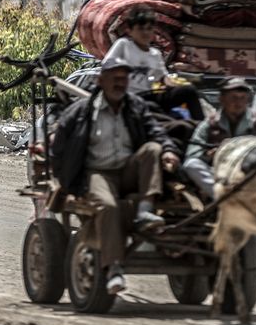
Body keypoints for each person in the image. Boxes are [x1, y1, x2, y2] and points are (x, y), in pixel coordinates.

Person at [51, 57, 181, 295]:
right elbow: (58, 149)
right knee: (109, 208)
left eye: (123, 78)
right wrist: (66, 180)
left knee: (153, 149)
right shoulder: (80, 112)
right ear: (101, 80)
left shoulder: (135, 106)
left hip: (128, 169)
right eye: (115, 78)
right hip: (98, 172)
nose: (120, 83)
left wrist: (170, 151)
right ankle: (114, 268)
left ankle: (145, 212)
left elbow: (156, 132)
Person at [182, 78, 256, 199]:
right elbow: (192, 153)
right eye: (233, 98)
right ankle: (224, 197)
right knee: (191, 165)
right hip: (219, 175)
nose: (238, 103)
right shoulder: (211, 123)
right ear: (222, 99)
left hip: (252, 174)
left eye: (242, 98)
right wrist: (210, 155)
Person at [103, 8, 204, 122]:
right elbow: (108, 65)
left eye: (149, 29)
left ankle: (201, 128)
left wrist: (177, 83)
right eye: (140, 29)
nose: (145, 33)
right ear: (130, 31)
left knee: (188, 91)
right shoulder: (123, 45)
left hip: (149, 95)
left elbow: (163, 78)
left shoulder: (155, 54)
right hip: (128, 98)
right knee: (152, 110)